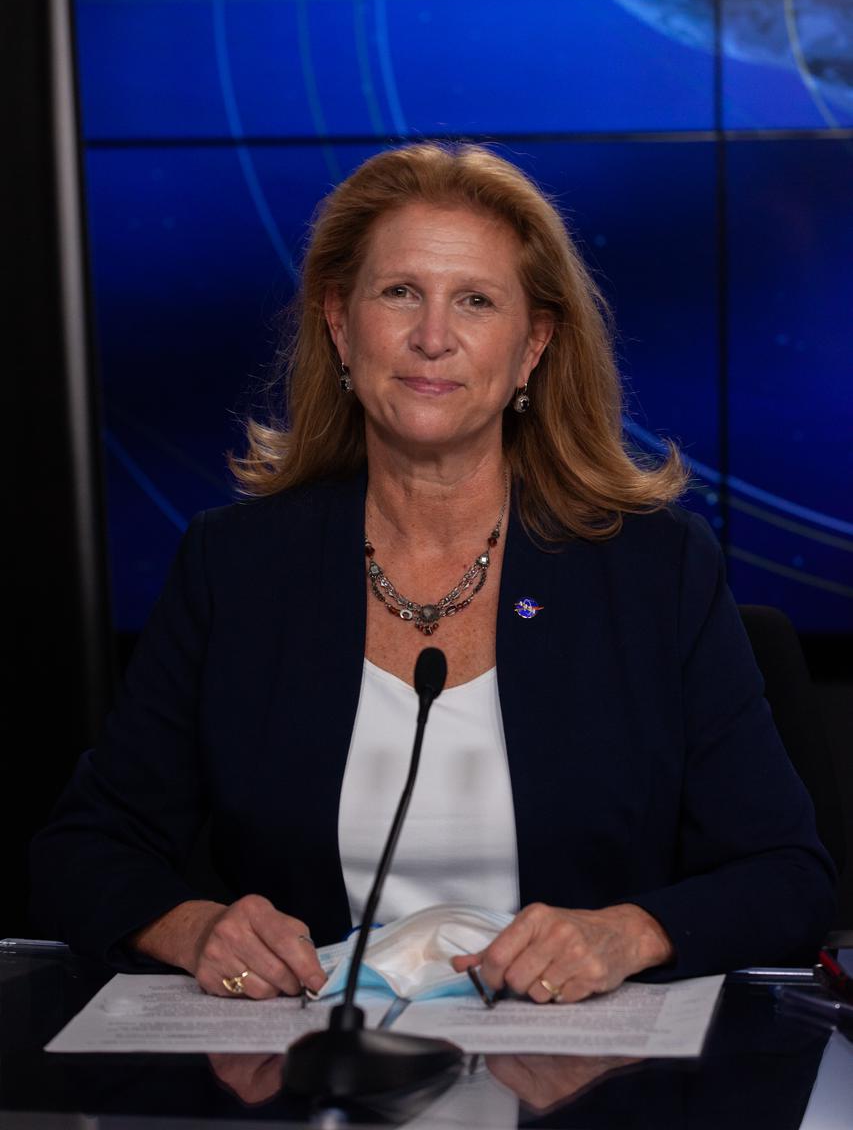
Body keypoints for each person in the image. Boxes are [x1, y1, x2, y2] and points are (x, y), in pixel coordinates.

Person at [30, 142, 836, 1006]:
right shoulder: (235, 568)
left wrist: (626, 932)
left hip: (584, 1084)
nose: (432, 337)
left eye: (476, 301)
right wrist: (195, 928)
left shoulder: (653, 570)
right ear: (340, 325)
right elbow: (85, 849)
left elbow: (786, 875)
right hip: (312, 1076)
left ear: (532, 347)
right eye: (400, 292)